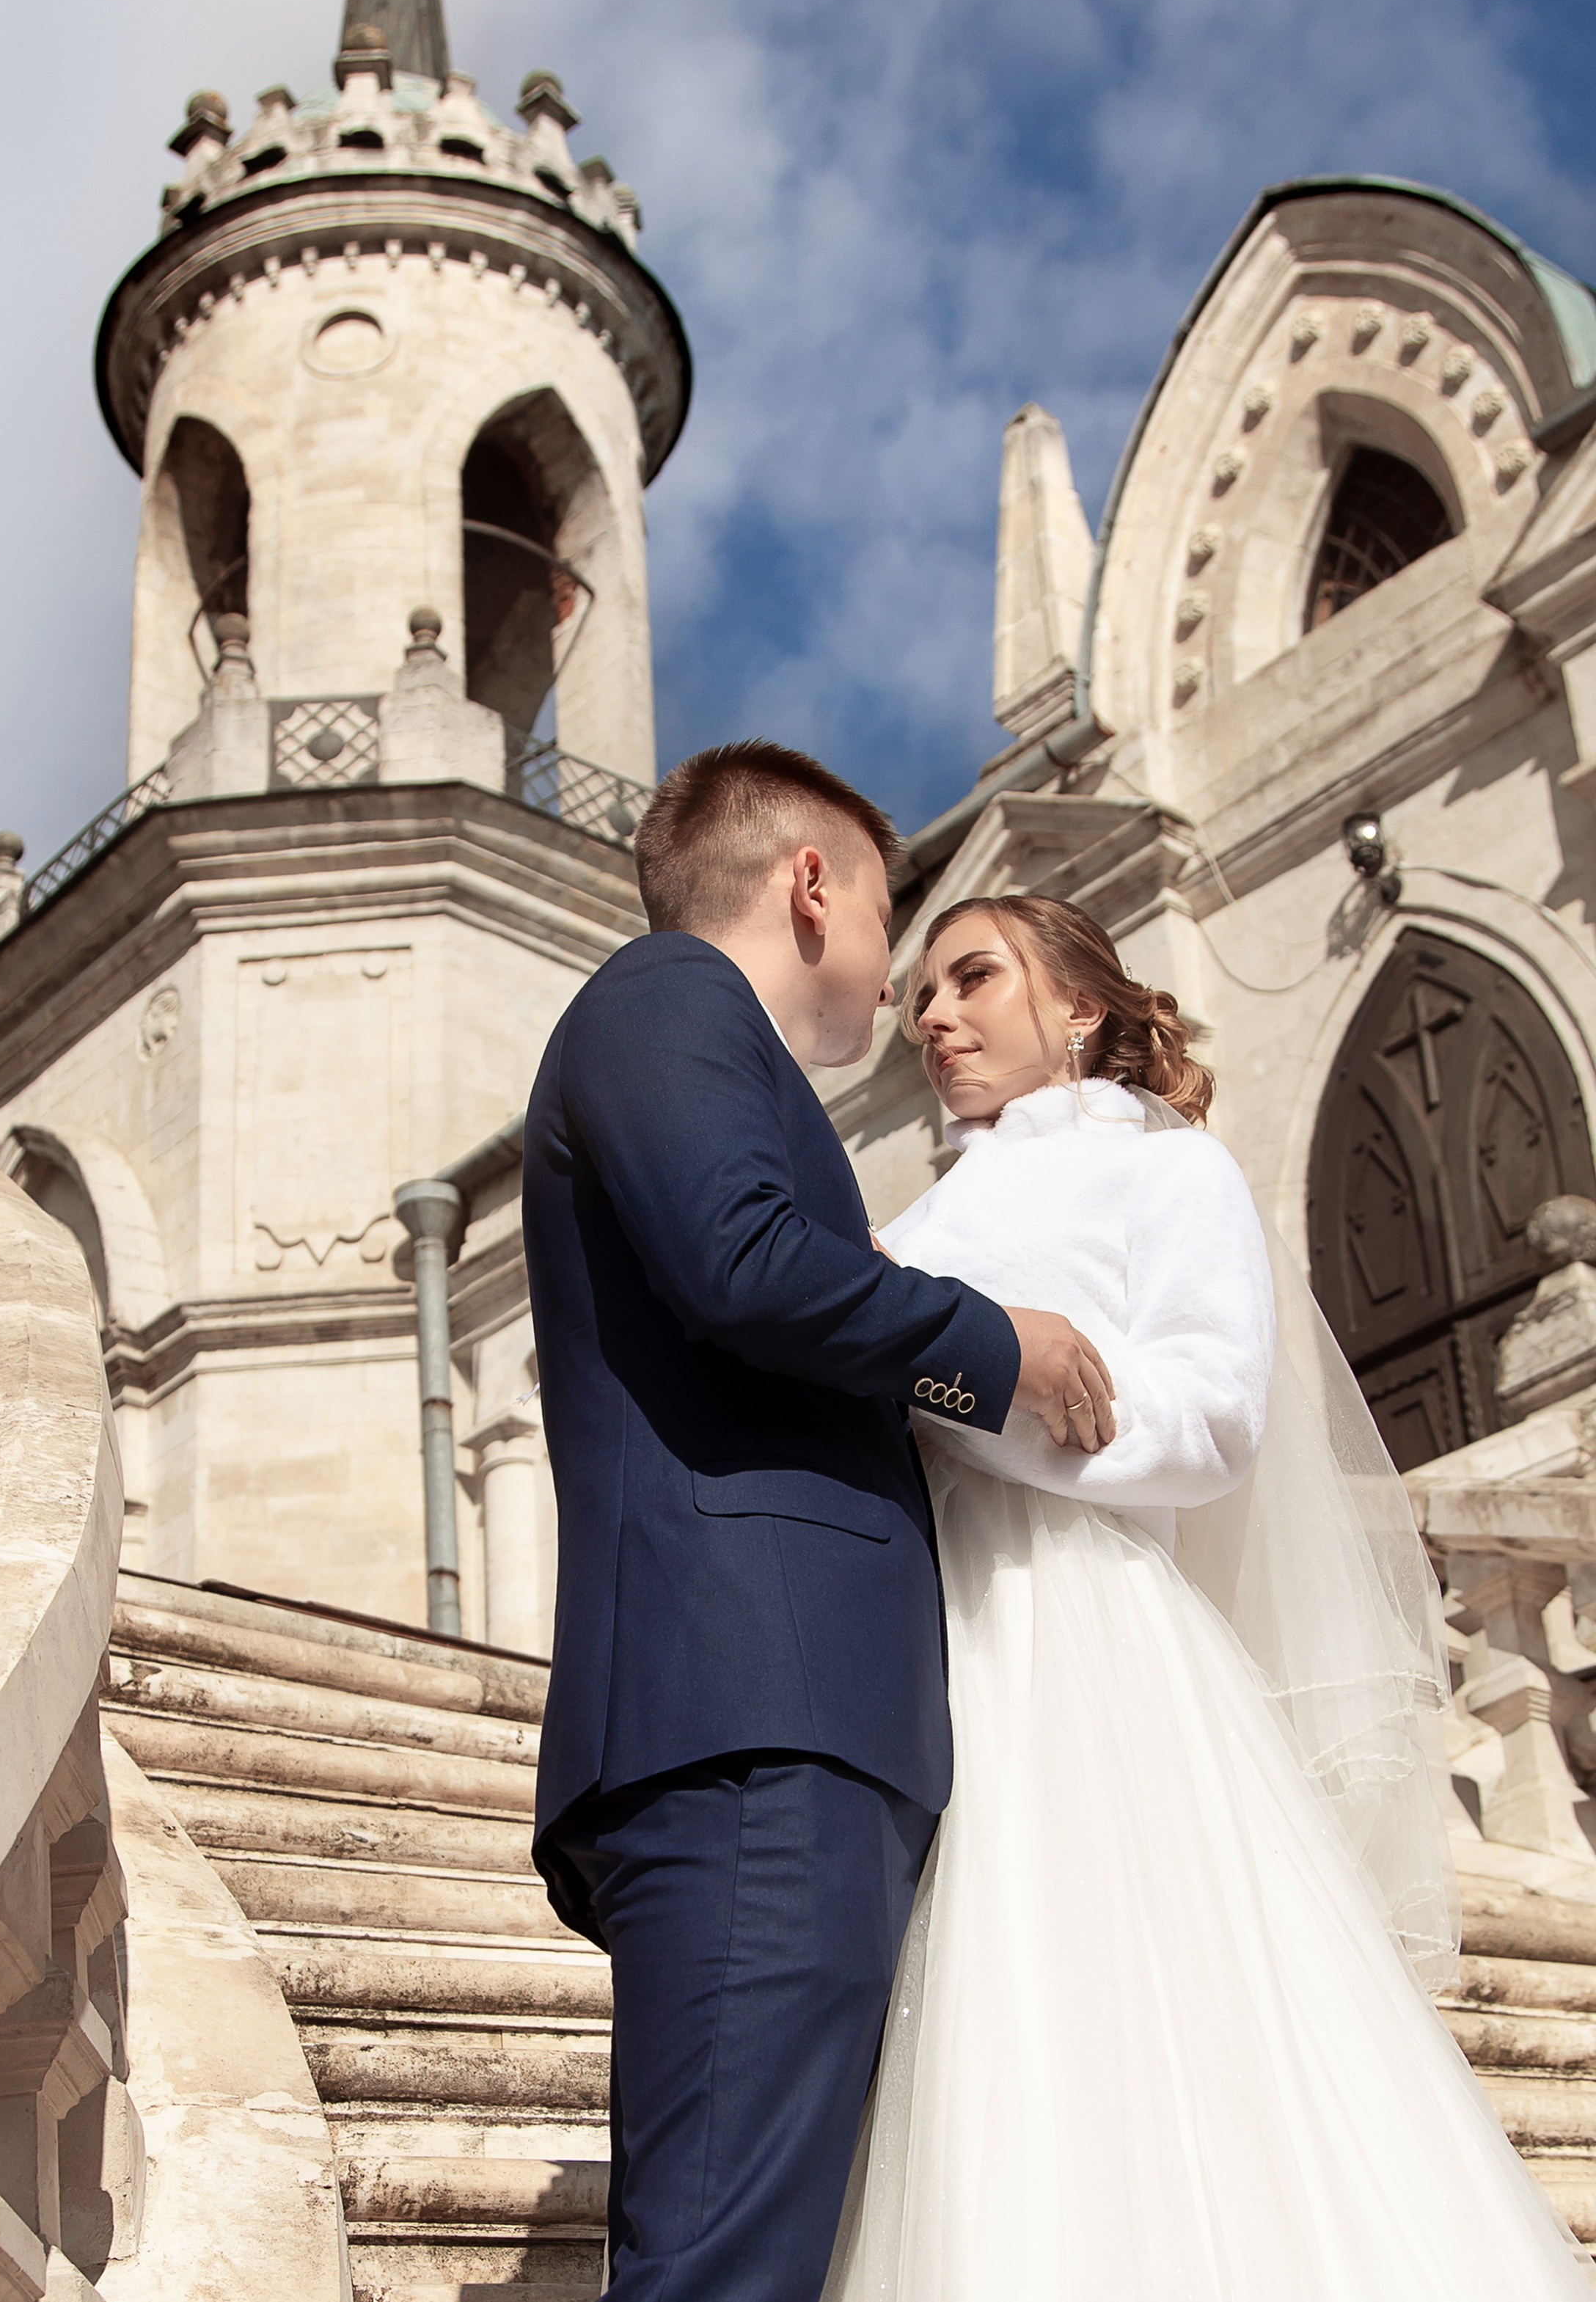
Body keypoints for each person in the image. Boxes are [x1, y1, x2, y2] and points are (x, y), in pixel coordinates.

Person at [825, 891, 1590, 2301]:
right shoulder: (906, 1220)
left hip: (1084, 1625)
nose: (931, 1014)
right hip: (921, 1642)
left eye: (974, 977)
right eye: (923, 992)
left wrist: (958, 1388)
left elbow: (1213, 1418)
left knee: (1128, 1991)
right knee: (992, 2027)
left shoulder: (1166, 1174)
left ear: (1080, 1006)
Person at [521, 744, 1113, 2302]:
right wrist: (996, 1346)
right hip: (750, 1720)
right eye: (886, 909)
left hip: (794, 1723)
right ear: (807, 885)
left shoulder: (718, 1052)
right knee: (724, 2265)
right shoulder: (665, 996)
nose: (900, 974)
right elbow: (740, 1260)